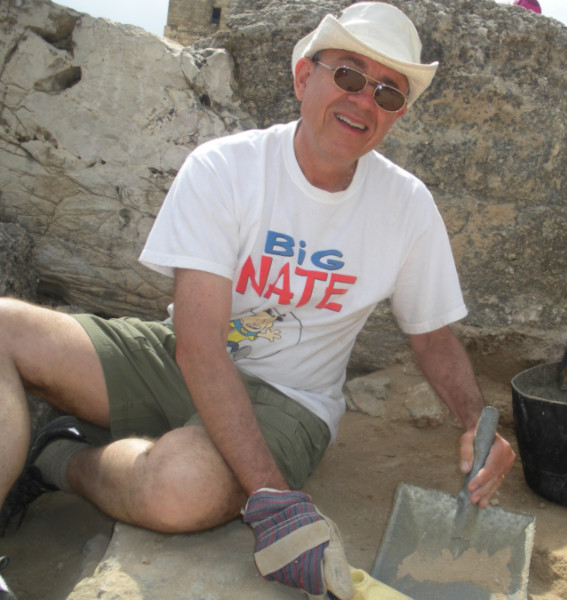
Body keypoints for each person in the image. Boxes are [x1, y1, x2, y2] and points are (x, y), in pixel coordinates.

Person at [0, 2, 515, 598]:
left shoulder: (407, 207)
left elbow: (430, 335)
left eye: (389, 93)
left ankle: (62, 458)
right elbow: (196, 344)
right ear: (304, 76)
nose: (363, 100)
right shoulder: (225, 168)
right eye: (348, 75)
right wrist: (276, 500)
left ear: (397, 116)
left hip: (288, 401)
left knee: (180, 489)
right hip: (182, 356)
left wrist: (478, 423)